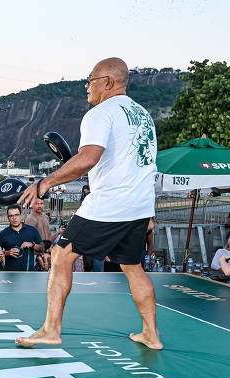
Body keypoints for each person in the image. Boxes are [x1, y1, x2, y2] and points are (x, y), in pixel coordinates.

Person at [16, 57, 163, 350]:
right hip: (140, 205)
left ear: (107, 82)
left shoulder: (100, 113)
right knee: (133, 266)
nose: (87, 86)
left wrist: (44, 184)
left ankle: (51, 329)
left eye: (91, 80)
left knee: (60, 255)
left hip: (110, 204)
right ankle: (151, 333)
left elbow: (88, 158)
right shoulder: (142, 114)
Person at [0, 204, 43, 271]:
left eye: (17, 215)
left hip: (28, 273)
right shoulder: (3, 234)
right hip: (10, 274)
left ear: (21, 215)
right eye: (11, 216)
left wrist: (32, 245)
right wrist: (7, 253)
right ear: (8, 217)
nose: (14, 218)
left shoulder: (32, 230)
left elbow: (42, 248)